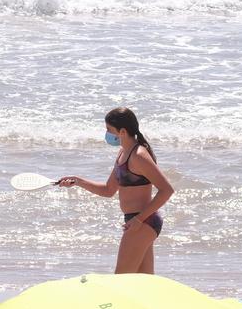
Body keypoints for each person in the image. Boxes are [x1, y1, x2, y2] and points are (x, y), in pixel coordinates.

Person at [59, 108, 175, 274]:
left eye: (108, 129)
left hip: (143, 222)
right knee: (143, 283)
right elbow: (108, 190)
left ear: (122, 131)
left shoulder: (139, 155)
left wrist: (139, 220)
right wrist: (77, 181)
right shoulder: (123, 153)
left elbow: (166, 190)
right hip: (138, 222)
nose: (106, 134)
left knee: (121, 279)